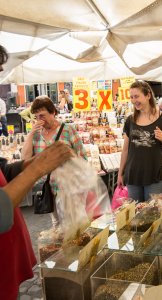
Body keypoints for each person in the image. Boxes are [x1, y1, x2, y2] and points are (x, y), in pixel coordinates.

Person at [0, 43, 73, 300]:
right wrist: (39, 165)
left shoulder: (68, 129)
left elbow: (5, 170)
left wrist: (30, 165)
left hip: (8, 271)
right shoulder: (36, 133)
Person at [21, 95, 86, 226]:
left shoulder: (68, 130)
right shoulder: (36, 134)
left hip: (68, 188)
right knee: (56, 225)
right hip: (48, 188)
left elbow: (82, 159)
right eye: (36, 116)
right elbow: (25, 159)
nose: (40, 119)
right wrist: (31, 134)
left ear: (53, 112)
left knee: (74, 226)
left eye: (42, 115)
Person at [117, 80, 162, 202]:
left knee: (152, 214)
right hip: (133, 175)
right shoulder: (130, 120)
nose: (134, 100)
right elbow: (125, 150)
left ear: (148, 95)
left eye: (137, 96)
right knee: (135, 216)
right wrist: (120, 173)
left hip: (155, 175)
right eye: (132, 97)